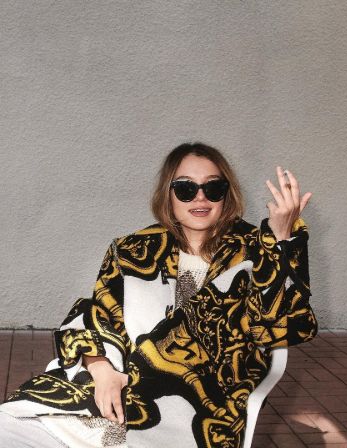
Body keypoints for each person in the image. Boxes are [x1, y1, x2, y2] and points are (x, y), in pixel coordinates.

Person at [0, 142, 318, 448]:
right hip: (109, 387)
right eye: (186, 188)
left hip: (195, 405)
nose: (200, 197)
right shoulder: (132, 250)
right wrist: (102, 369)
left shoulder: (254, 249)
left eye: (213, 187)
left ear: (227, 194)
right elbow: (98, 314)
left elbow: (288, 326)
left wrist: (280, 239)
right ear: (168, 193)